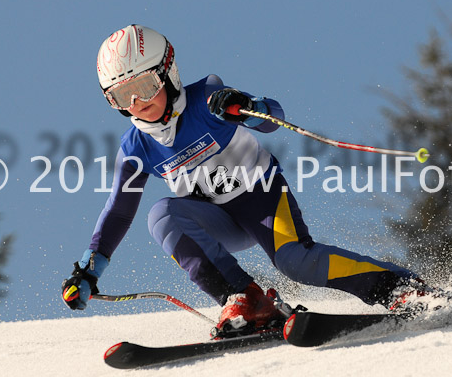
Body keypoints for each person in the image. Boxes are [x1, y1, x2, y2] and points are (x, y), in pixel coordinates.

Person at [62, 24, 426, 333]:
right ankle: (246, 299)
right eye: (122, 95)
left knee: (295, 262)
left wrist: (246, 109)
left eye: (143, 85)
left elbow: (273, 117)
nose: (137, 102)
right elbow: (119, 213)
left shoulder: (206, 100)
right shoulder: (135, 147)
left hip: (262, 199)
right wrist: (90, 269)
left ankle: (398, 287)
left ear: (168, 72)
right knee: (161, 215)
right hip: (216, 220)